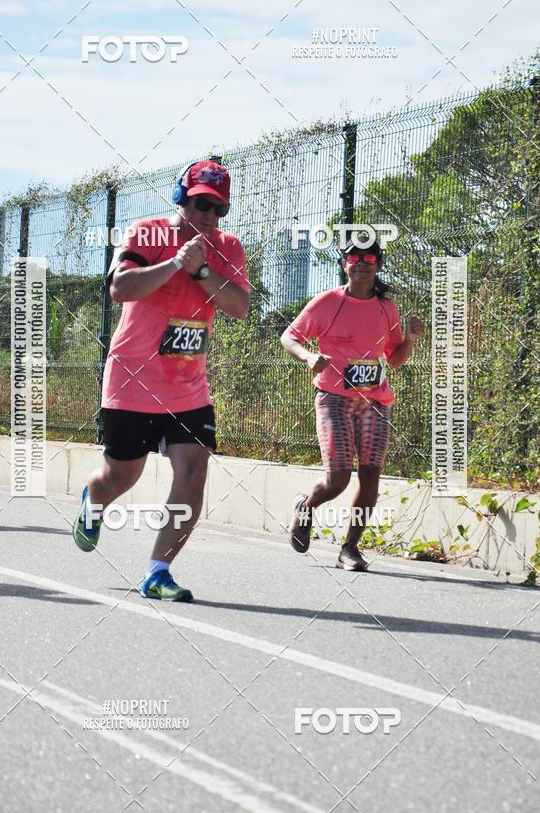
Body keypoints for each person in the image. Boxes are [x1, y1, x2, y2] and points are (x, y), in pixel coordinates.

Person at [73, 160, 250, 601]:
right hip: (133, 378)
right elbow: (121, 288)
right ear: (181, 198)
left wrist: (202, 271)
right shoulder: (146, 233)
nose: (209, 215)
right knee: (120, 477)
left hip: (188, 385)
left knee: (193, 469)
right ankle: (94, 501)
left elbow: (240, 307)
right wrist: (175, 262)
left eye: (218, 208)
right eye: (201, 204)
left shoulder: (228, 247)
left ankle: (158, 571)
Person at [280, 238, 423, 571]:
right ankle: (307, 505)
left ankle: (350, 548)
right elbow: (289, 336)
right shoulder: (327, 302)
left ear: (379, 264)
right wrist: (308, 356)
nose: (361, 262)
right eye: (353, 257)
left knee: (371, 474)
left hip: (374, 401)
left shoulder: (387, 308)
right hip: (335, 399)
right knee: (338, 479)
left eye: (369, 256)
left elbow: (395, 359)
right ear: (344, 263)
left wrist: (411, 341)